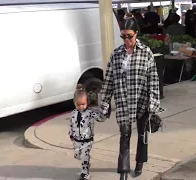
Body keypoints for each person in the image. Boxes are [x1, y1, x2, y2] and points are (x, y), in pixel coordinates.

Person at [99, 18, 163, 180]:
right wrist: (105, 102)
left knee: (142, 134)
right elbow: (109, 80)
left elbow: (153, 80)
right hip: (123, 102)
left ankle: (140, 162)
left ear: (136, 34)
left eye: (129, 36)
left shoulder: (146, 52)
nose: (126, 40)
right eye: (123, 37)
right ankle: (124, 171)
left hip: (141, 101)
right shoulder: (116, 54)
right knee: (124, 135)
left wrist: (153, 104)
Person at [68, 89, 105, 180]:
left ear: (87, 102)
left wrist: (103, 112)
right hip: (77, 140)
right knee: (77, 155)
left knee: (84, 155)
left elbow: (100, 118)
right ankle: (85, 162)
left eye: (83, 104)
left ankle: (85, 173)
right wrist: (71, 134)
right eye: (78, 105)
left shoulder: (90, 113)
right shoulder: (73, 113)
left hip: (87, 140)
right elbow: (71, 124)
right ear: (75, 104)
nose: (81, 107)